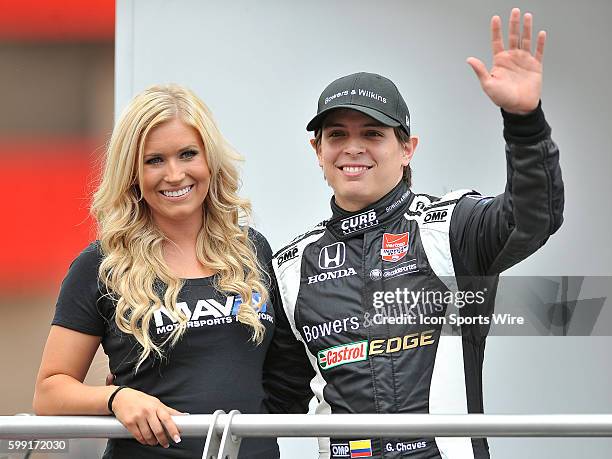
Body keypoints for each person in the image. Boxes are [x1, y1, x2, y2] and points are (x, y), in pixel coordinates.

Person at [269, 8, 563, 459]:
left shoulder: (450, 227)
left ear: (407, 148)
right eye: (336, 134)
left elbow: (533, 217)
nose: (353, 147)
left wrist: (524, 122)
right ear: (318, 150)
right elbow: (278, 396)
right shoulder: (290, 266)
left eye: (372, 133)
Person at [32, 84, 299, 458]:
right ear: (132, 172)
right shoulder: (101, 264)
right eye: (154, 160)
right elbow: (49, 392)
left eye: (188, 154)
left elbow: (284, 375)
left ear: (210, 160)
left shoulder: (252, 251)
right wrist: (117, 398)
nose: (174, 175)